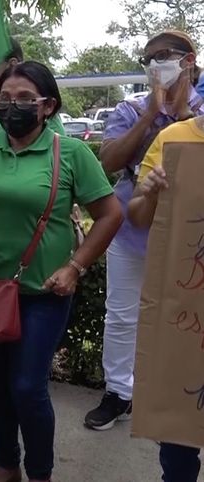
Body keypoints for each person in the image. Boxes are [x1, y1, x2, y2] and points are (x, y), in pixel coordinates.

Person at [0, 61, 122, 482]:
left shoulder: (69, 153)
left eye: (23, 99)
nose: (11, 106)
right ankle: (5, 465)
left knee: (26, 386)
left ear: (48, 106)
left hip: (44, 293)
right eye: (5, 99)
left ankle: (39, 474)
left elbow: (110, 215)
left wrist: (75, 266)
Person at [85, 30, 204, 431]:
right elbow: (108, 160)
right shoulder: (130, 108)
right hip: (131, 230)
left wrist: (184, 117)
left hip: (188, 237)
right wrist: (153, 113)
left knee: (185, 314)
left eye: (164, 55)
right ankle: (119, 393)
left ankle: (177, 393)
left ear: (189, 61)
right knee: (121, 316)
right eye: (147, 58)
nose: (154, 64)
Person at [127, 115, 204, 482]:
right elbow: (138, 216)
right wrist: (152, 191)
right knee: (178, 431)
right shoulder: (175, 138)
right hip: (186, 310)